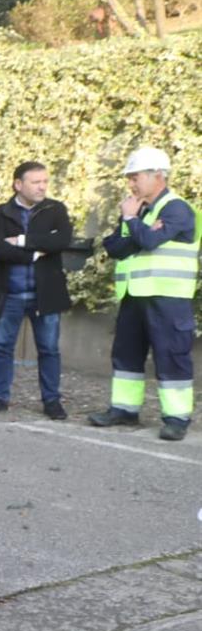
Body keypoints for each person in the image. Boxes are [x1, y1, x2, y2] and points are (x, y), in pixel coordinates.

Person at [88, 146, 197, 441]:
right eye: (129, 178)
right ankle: (123, 409)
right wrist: (134, 225)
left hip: (168, 298)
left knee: (171, 356)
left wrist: (134, 225)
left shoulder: (177, 209)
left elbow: (147, 241)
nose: (131, 184)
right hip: (134, 296)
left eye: (135, 177)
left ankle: (176, 418)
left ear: (157, 175)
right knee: (126, 354)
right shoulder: (140, 210)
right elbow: (114, 247)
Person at [0, 161, 74, 419]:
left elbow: (62, 240)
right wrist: (34, 255)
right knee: (2, 348)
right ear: (18, 184)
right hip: (8, 294)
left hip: (45, 295)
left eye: (45, 181)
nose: (42, 186)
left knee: (49, 349)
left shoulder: (55, 209)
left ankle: (52, 401)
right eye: (36, 182)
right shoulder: (0, 214)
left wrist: (22, 242)